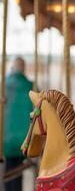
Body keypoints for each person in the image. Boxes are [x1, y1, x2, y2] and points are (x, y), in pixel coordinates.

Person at [4, 57, 33, 191]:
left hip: (5, 139)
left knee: (8, 170)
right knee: (18, 171)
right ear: (23, 68)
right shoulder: (30, 86)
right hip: (23, 139)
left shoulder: (4, 84)